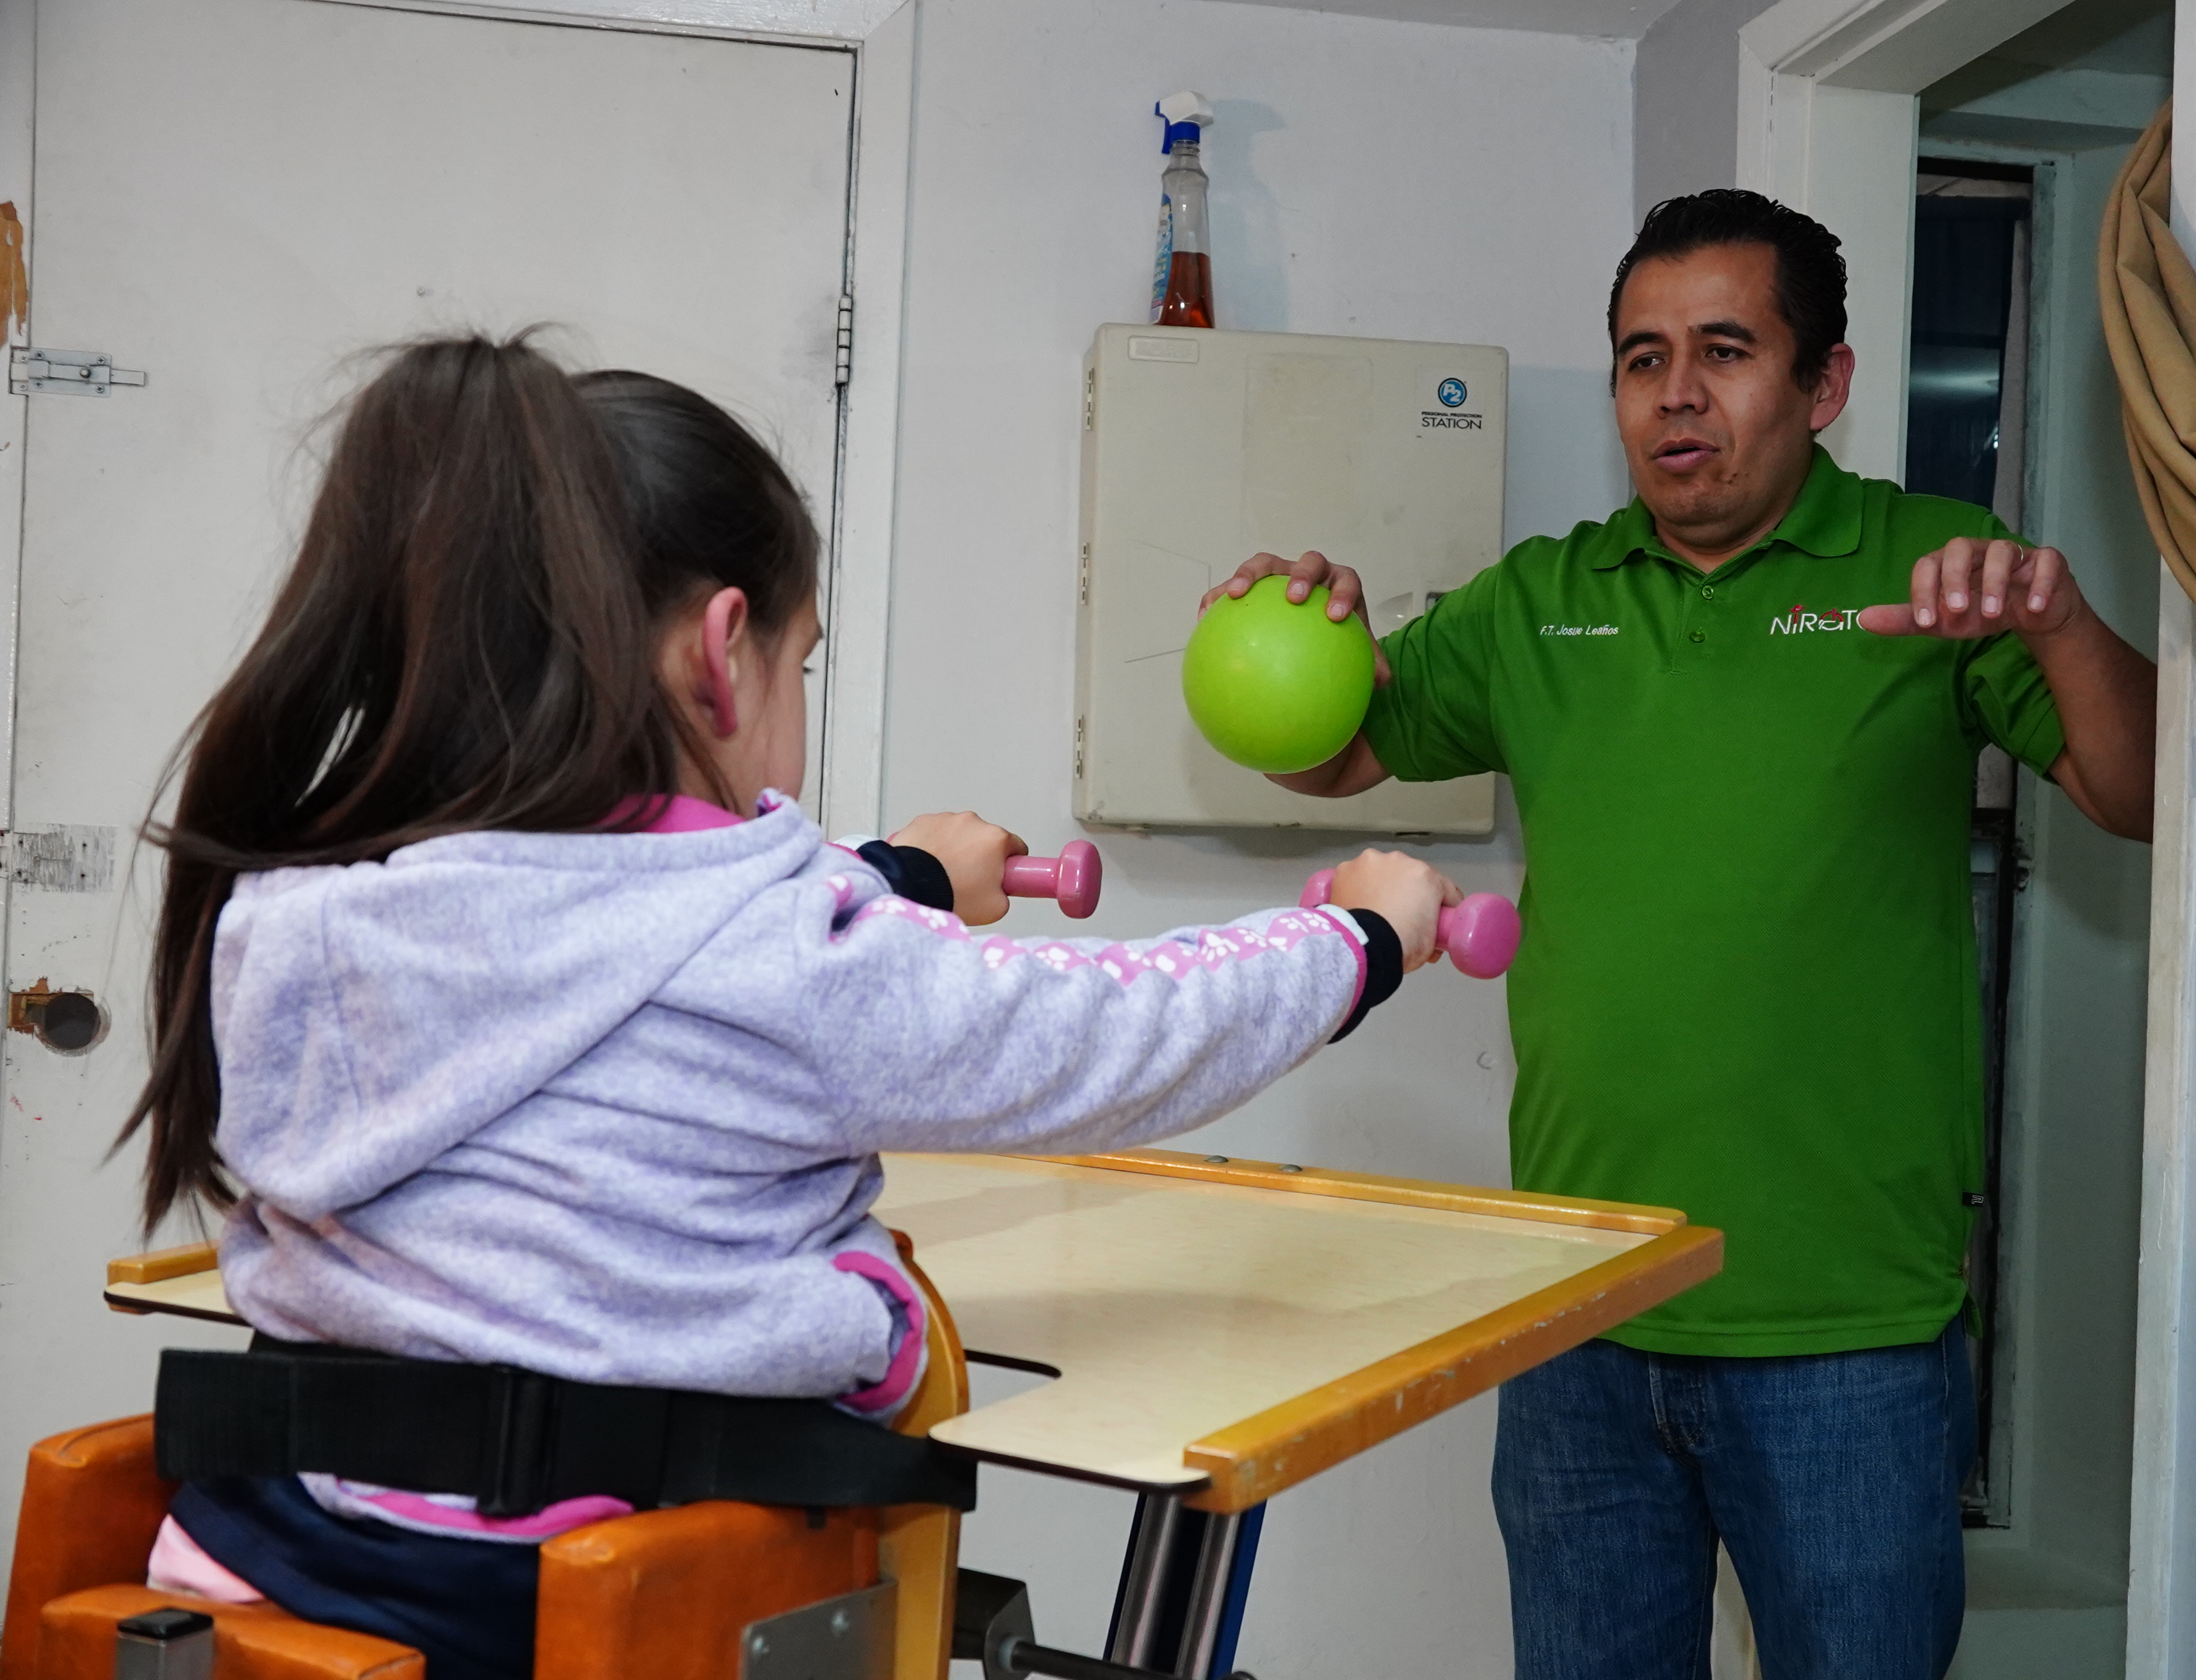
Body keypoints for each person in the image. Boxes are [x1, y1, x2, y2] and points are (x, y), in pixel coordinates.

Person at [117, 334, 1459, 1680]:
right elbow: (1104, 1031)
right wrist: (1357, 938)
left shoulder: (335, 900)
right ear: (723, 651)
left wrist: (909, 878)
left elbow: (626, 945)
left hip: (264, 1544)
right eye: (802, 660)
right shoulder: (791, 963)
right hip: (575, 1599)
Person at [1199, 191, 2157, 1679]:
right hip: (1581, 1312)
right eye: (1644, 359)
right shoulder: (1539, 602)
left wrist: (2060, 621)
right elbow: (1340, 756)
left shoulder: (1937, 570)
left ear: (1823, 384)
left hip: (1848, 1334)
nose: (1678, 395)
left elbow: (2139, 786)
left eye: (1726, 349)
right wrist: (1293, 634)